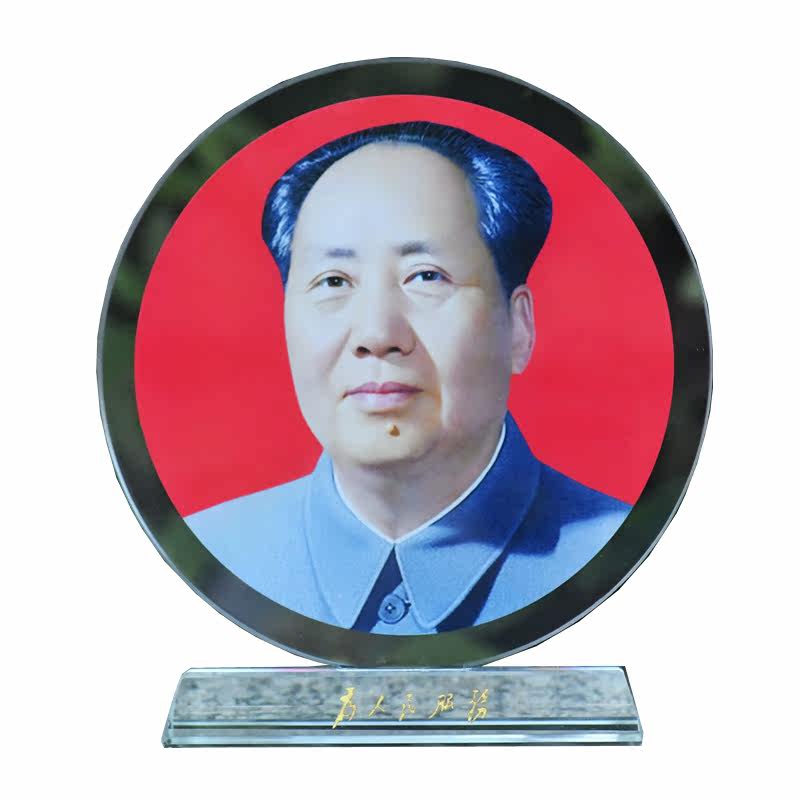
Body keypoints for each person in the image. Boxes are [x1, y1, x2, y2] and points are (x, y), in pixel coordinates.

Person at [186, 121, 631, 634]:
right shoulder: (211, 559)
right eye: (333, 281)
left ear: (518, 327)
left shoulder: (620, 559)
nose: (377, 335)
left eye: (426, 276)